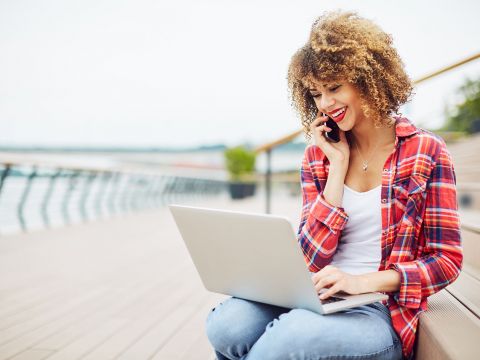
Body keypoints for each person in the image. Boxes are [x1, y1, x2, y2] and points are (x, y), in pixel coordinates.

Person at [205, 10, 463, 360]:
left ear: (368, 77)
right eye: (315, 93)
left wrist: (361, 282)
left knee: (288, 339)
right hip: (313, 293)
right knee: (227, 326)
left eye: (334, 87)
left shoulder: (426, 151)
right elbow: (311, 256)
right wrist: (337, 168)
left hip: (378, 308)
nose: (325, 104)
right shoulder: (319, 157)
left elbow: (446, 260)